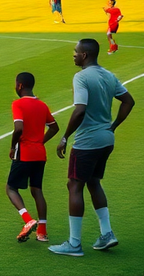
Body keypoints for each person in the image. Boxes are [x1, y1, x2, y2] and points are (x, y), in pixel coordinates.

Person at [49, 38, 135, 257]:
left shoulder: (81, 77)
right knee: (94, 182)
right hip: (106, 139)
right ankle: (107, 233)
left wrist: (65, 137)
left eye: (76, 52)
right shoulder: (108, 75)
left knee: (74, 186)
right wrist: (113, 126)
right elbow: (128, 101)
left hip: (87, 142)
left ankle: (74, 244)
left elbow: (79, 110)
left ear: (84, 55)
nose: (74, 55)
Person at [7, 72, 59, 243]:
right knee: (37, 190)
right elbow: (54, 127)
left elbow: (19, 128)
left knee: (11, 188)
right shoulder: (42, 105)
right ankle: (42, 232)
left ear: (20, 86)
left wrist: (13, 146)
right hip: (39, 154)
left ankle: (28, 220)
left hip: (25, 153)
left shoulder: (18, 104)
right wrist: (40, 141)